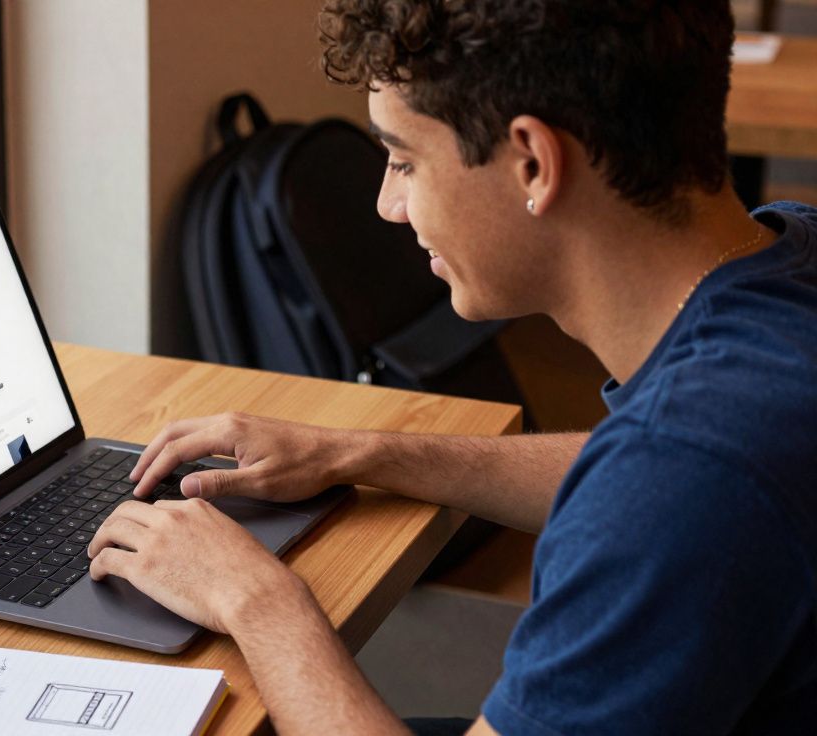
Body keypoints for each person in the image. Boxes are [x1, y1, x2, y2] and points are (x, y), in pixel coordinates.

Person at [86, 2, 817, 734]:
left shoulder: (683, 475)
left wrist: (255, 600)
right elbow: (650, 475)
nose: (387, 204)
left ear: (533, 162)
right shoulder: (788, 262)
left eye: (403, 160)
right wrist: (358, 452)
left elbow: (669, 488)